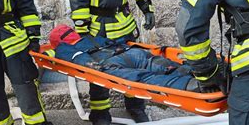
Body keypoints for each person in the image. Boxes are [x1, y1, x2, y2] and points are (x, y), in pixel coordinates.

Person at [46, 24, 200, 92]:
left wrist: (90, 65)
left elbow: (76, 56)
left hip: (109, 63)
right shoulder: (92, 37)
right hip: (129, 52)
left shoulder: (63, 48)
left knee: (143, 79)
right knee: (161, 65)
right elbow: (116, 41)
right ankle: (199, 73)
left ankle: (189, 84)